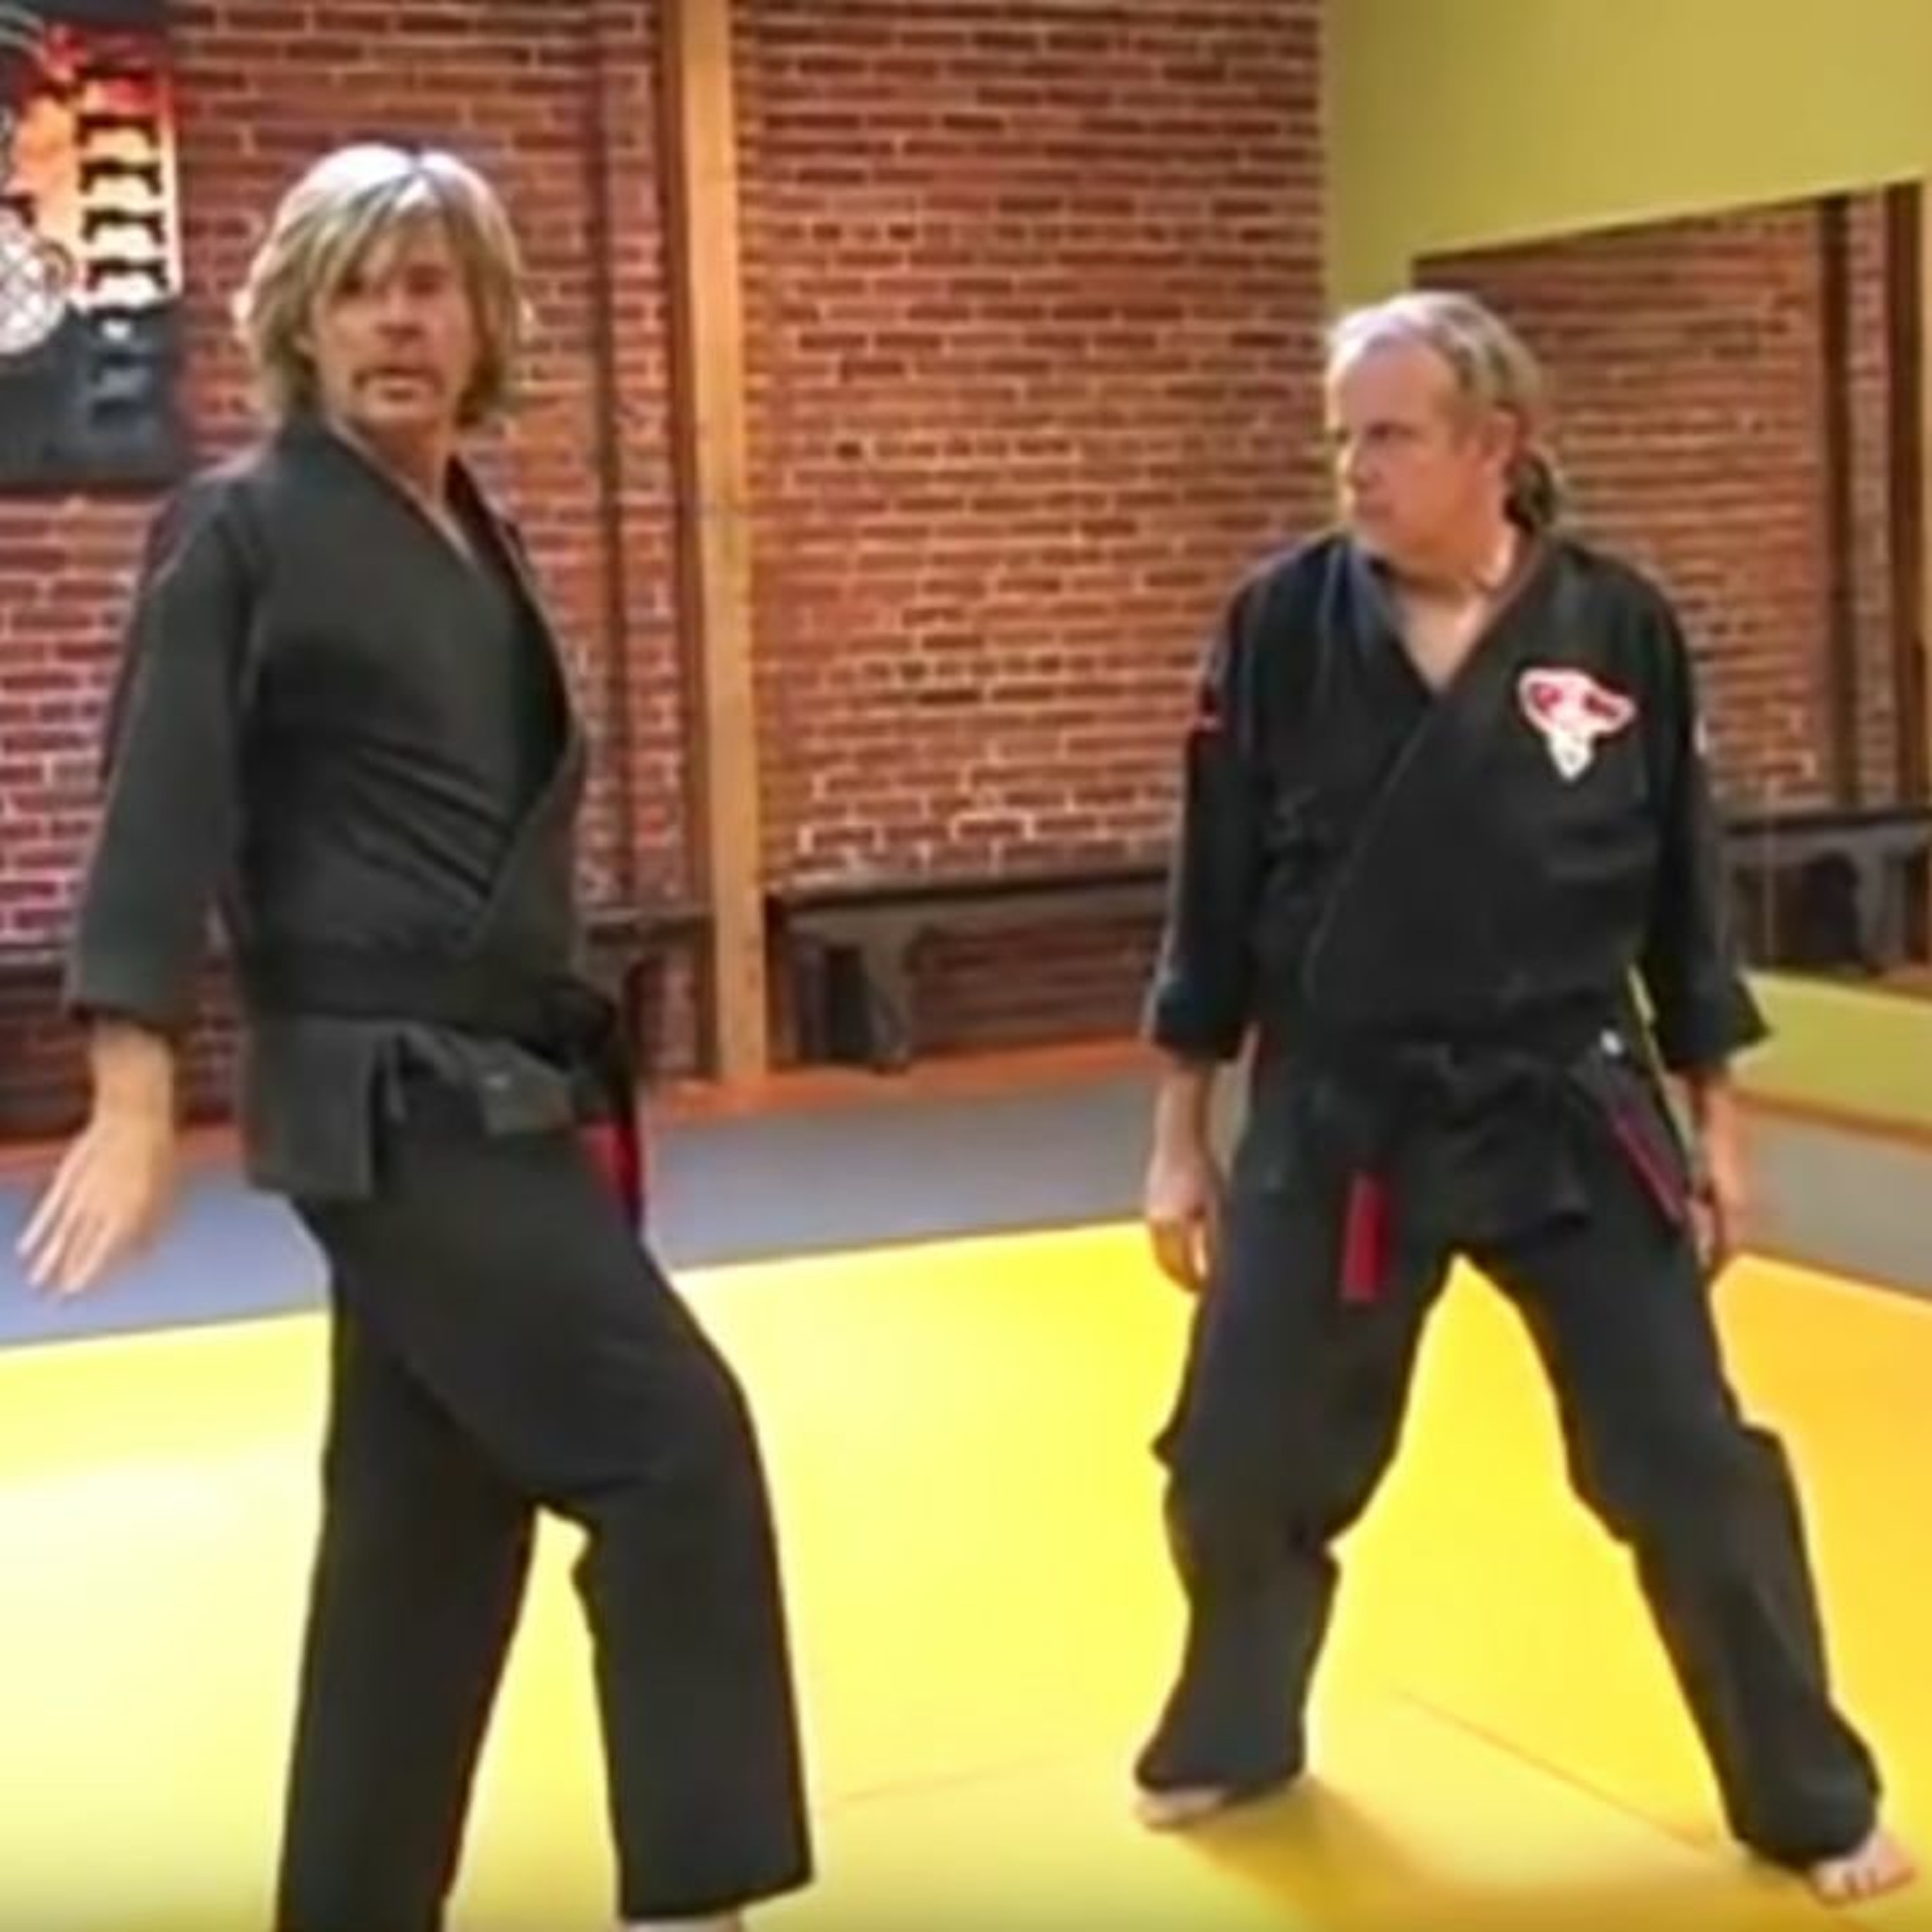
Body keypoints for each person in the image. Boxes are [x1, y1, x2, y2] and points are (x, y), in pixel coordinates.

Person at [17, 142, 811, 1932]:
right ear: (299, 321)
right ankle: (704, 1898)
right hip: (391, 1098)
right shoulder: (240, 525)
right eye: (359, 288)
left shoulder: (470, 526)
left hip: (496, 1084)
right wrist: (133, 1089)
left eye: (429, 285)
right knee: (674, 1452)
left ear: (483, 321)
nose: (395, 320)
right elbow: (161, 800)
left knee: (422, 1546)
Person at [1132, 289, 1913, 1908]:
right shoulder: (1278, 626)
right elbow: (1213, 891)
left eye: (1391, 437)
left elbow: (1684, 892)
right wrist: (1178, 1140)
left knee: (1688, 1463)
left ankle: (1807, 1793)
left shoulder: (1617, 629)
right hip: (1343, 1113)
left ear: (1498, 442)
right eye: (1344, 439)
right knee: (1239, 1457)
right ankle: (1237, 1729)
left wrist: (1718, 1122)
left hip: (1568, 1103)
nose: (1356, 470)